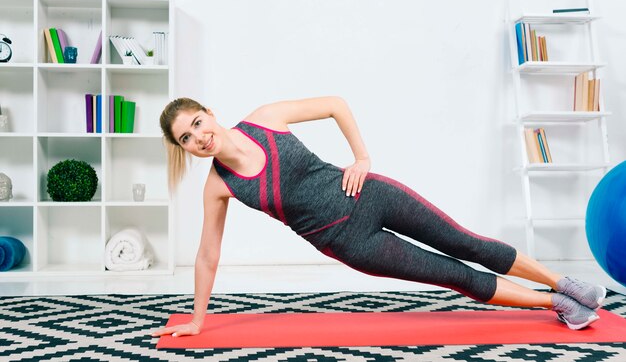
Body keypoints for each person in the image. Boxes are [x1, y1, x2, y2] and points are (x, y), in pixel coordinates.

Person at [152, 96, 606, 338]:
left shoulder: (265, 118)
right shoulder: (219, 186)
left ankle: (564, 284)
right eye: (187, 138)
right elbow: (208, 255)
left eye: (196, 122)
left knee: (466, 242)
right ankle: (559, 306)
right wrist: (197, 319)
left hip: (371, 196)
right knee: (456, 276)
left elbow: (335, 103)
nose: (199, 136)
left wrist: (361, 157)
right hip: (350, 243)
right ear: (186, 150)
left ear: (209, 112)